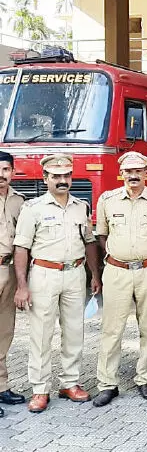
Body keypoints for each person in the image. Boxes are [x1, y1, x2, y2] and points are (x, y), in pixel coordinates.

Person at [13, 154, 102, 413]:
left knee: (74, 331)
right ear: (46, 178)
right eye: (56, 176)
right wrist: (22, 286)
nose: (62, 180)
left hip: (75, 274)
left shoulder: (81, 206)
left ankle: (70, 383)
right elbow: (21, 248)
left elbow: (89, 242)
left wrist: (94, 275)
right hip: (44, 274)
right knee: (41, 334)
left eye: (66, 175)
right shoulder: (33, 208)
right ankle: (40, 389)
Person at [93, 151, 147, 407]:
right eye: (128, 171)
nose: (133, 175)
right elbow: (102, 236)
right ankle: (107, 384)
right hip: (116, 270)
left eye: (138, 171)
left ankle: (144, 378)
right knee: (111, 328)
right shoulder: (107, 200)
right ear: (121, 174)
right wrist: (119, 256)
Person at [0, 151, 25, 418]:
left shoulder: (20, 201)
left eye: (6, 169)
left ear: (13, 172)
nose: (1, 175)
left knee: (4, 331)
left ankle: (1, 386)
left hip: (9, 269)